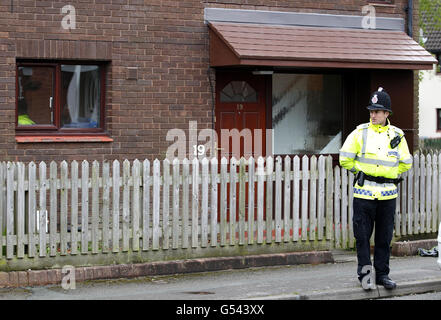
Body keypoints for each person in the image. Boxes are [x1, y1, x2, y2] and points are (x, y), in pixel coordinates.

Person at [339, 87, 412, 290]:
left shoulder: (397, 135)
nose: (373, 115)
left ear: (386, 113)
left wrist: (390, 173)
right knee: (362, 238)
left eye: (377, 111)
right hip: (364, 194)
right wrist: (359, 171)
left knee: (384, 238)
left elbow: (407, 162)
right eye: (371, 111)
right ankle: (365, 277)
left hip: (388, 195)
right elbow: (345, 158)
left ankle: (382, 276)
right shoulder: (360, 132)